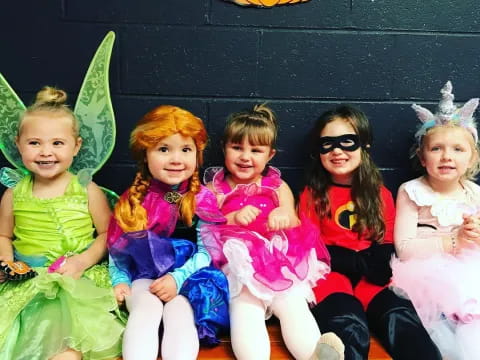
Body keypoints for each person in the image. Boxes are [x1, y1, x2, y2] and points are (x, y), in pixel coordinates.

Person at [299, 104, 442, 360]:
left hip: (372, 277)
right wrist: (348, 260)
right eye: (327, 144)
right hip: (331, 276)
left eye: (347, 142)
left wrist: (377, 260)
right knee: (347, 325)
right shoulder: (312, 196)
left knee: (401, 319)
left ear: (364, 145)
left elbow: (386, 239)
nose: (337, 151)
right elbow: (309, 245)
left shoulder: (379, 194)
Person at [202, 104, 344, 360]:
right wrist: (233, 217)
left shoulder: (277, 186)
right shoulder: (217, 187)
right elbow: (206, 217)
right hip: (238, 260)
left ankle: (313, 354)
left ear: (270, 155)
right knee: (246, 307)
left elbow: (291, 216)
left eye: (256, 150)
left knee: (292, 304)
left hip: (277, 258)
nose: (245, 157)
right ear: (224, 148)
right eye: (237, 148)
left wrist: (282, 215)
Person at [0, 86, 123, 360]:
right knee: (17, 337)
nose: (46, 152)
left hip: (74, 279)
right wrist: (6, 262)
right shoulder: (13, 194)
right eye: (34, 143)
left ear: (76, 146)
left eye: (57, 143)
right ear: (18, 144)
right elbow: (3, 236)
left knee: (66, 345)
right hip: (27, 279)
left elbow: (106, 234)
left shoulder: (87, 190)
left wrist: (81, 261)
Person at [107, 105, 229, 360]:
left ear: (197, 154)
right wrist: (119, 279)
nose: (176, 159)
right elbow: (117, 249)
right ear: (145, 154)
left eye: (186, 150)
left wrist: (178, 278)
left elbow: (209, 250)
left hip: (189, 275)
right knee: (145, 310)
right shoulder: (134, 199)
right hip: (144, 274)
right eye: (164, 149)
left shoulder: (201, 198)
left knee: (180, 315)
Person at [391, 81, 480, 360]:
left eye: (457, 149)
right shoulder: (412, 191)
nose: (446, 157)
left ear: (472, 157)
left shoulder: (475, 193)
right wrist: (454, 240)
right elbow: (404, 247)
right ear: (422, 156)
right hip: (430, 274)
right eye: (437, 149)